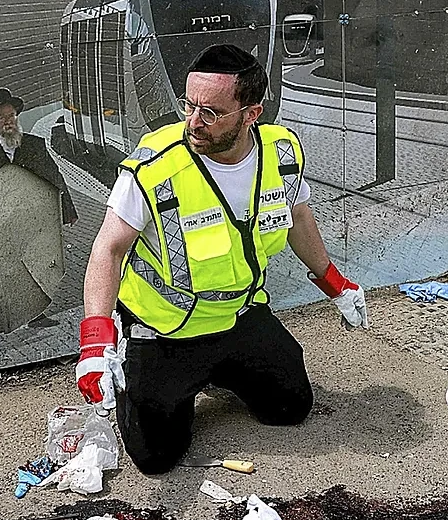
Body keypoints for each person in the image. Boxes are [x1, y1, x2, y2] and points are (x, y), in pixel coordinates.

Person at [76, 44, 368, 475]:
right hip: (166, 329)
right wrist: (95, 341)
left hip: (239, 314)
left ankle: (216, 376)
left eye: (210, 112)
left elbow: (298, 217)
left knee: (291, 408)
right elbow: (108, 248)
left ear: (251, 113)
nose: (193, 122)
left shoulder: (281, 153)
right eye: (189, 105)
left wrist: (334, 282)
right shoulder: (154, 168)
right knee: (157, 457)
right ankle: (153, 383)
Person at [0, 87, 78, 225]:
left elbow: (54, 176)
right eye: (1, 117)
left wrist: (68, 210)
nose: (8, 121)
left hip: (33, 217)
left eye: (11, 115)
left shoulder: (35, 145)